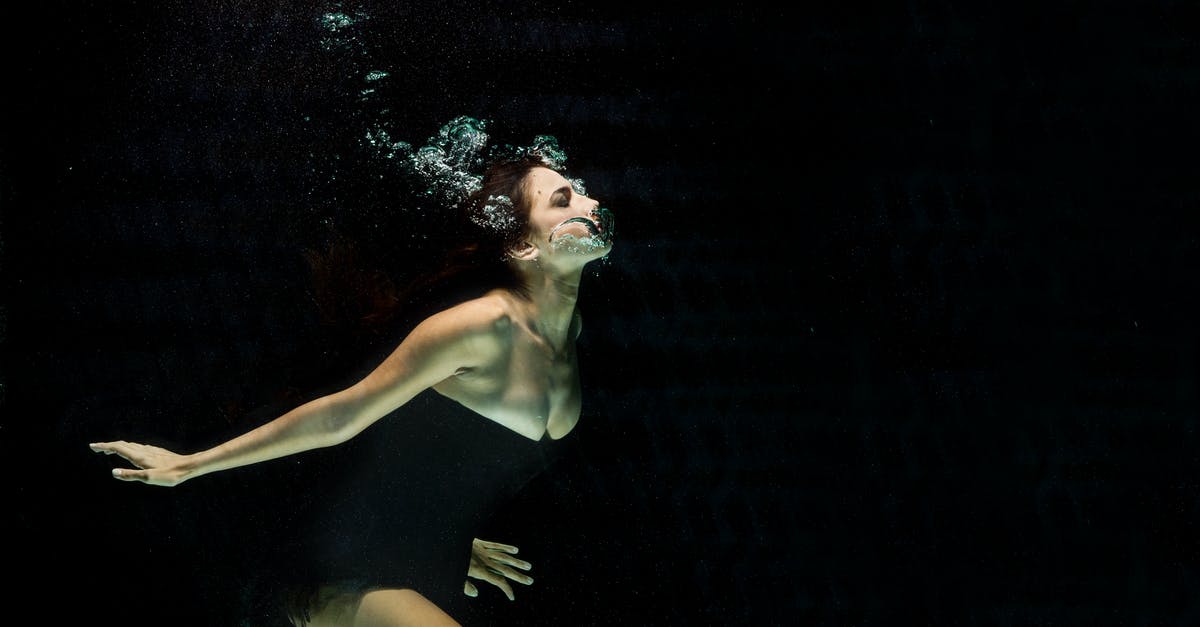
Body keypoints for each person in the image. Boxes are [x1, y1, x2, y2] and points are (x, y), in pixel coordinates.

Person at [90, 150, 616, 627]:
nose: (590, 203)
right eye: (562, 199)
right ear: (525, 244)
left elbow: (440, 454)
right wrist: (190, 464)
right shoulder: (482, 327)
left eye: (582, 189)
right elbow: (342, 416)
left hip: (429, 561)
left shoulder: (570, 333)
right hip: (343, 571)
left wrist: (441, 531)